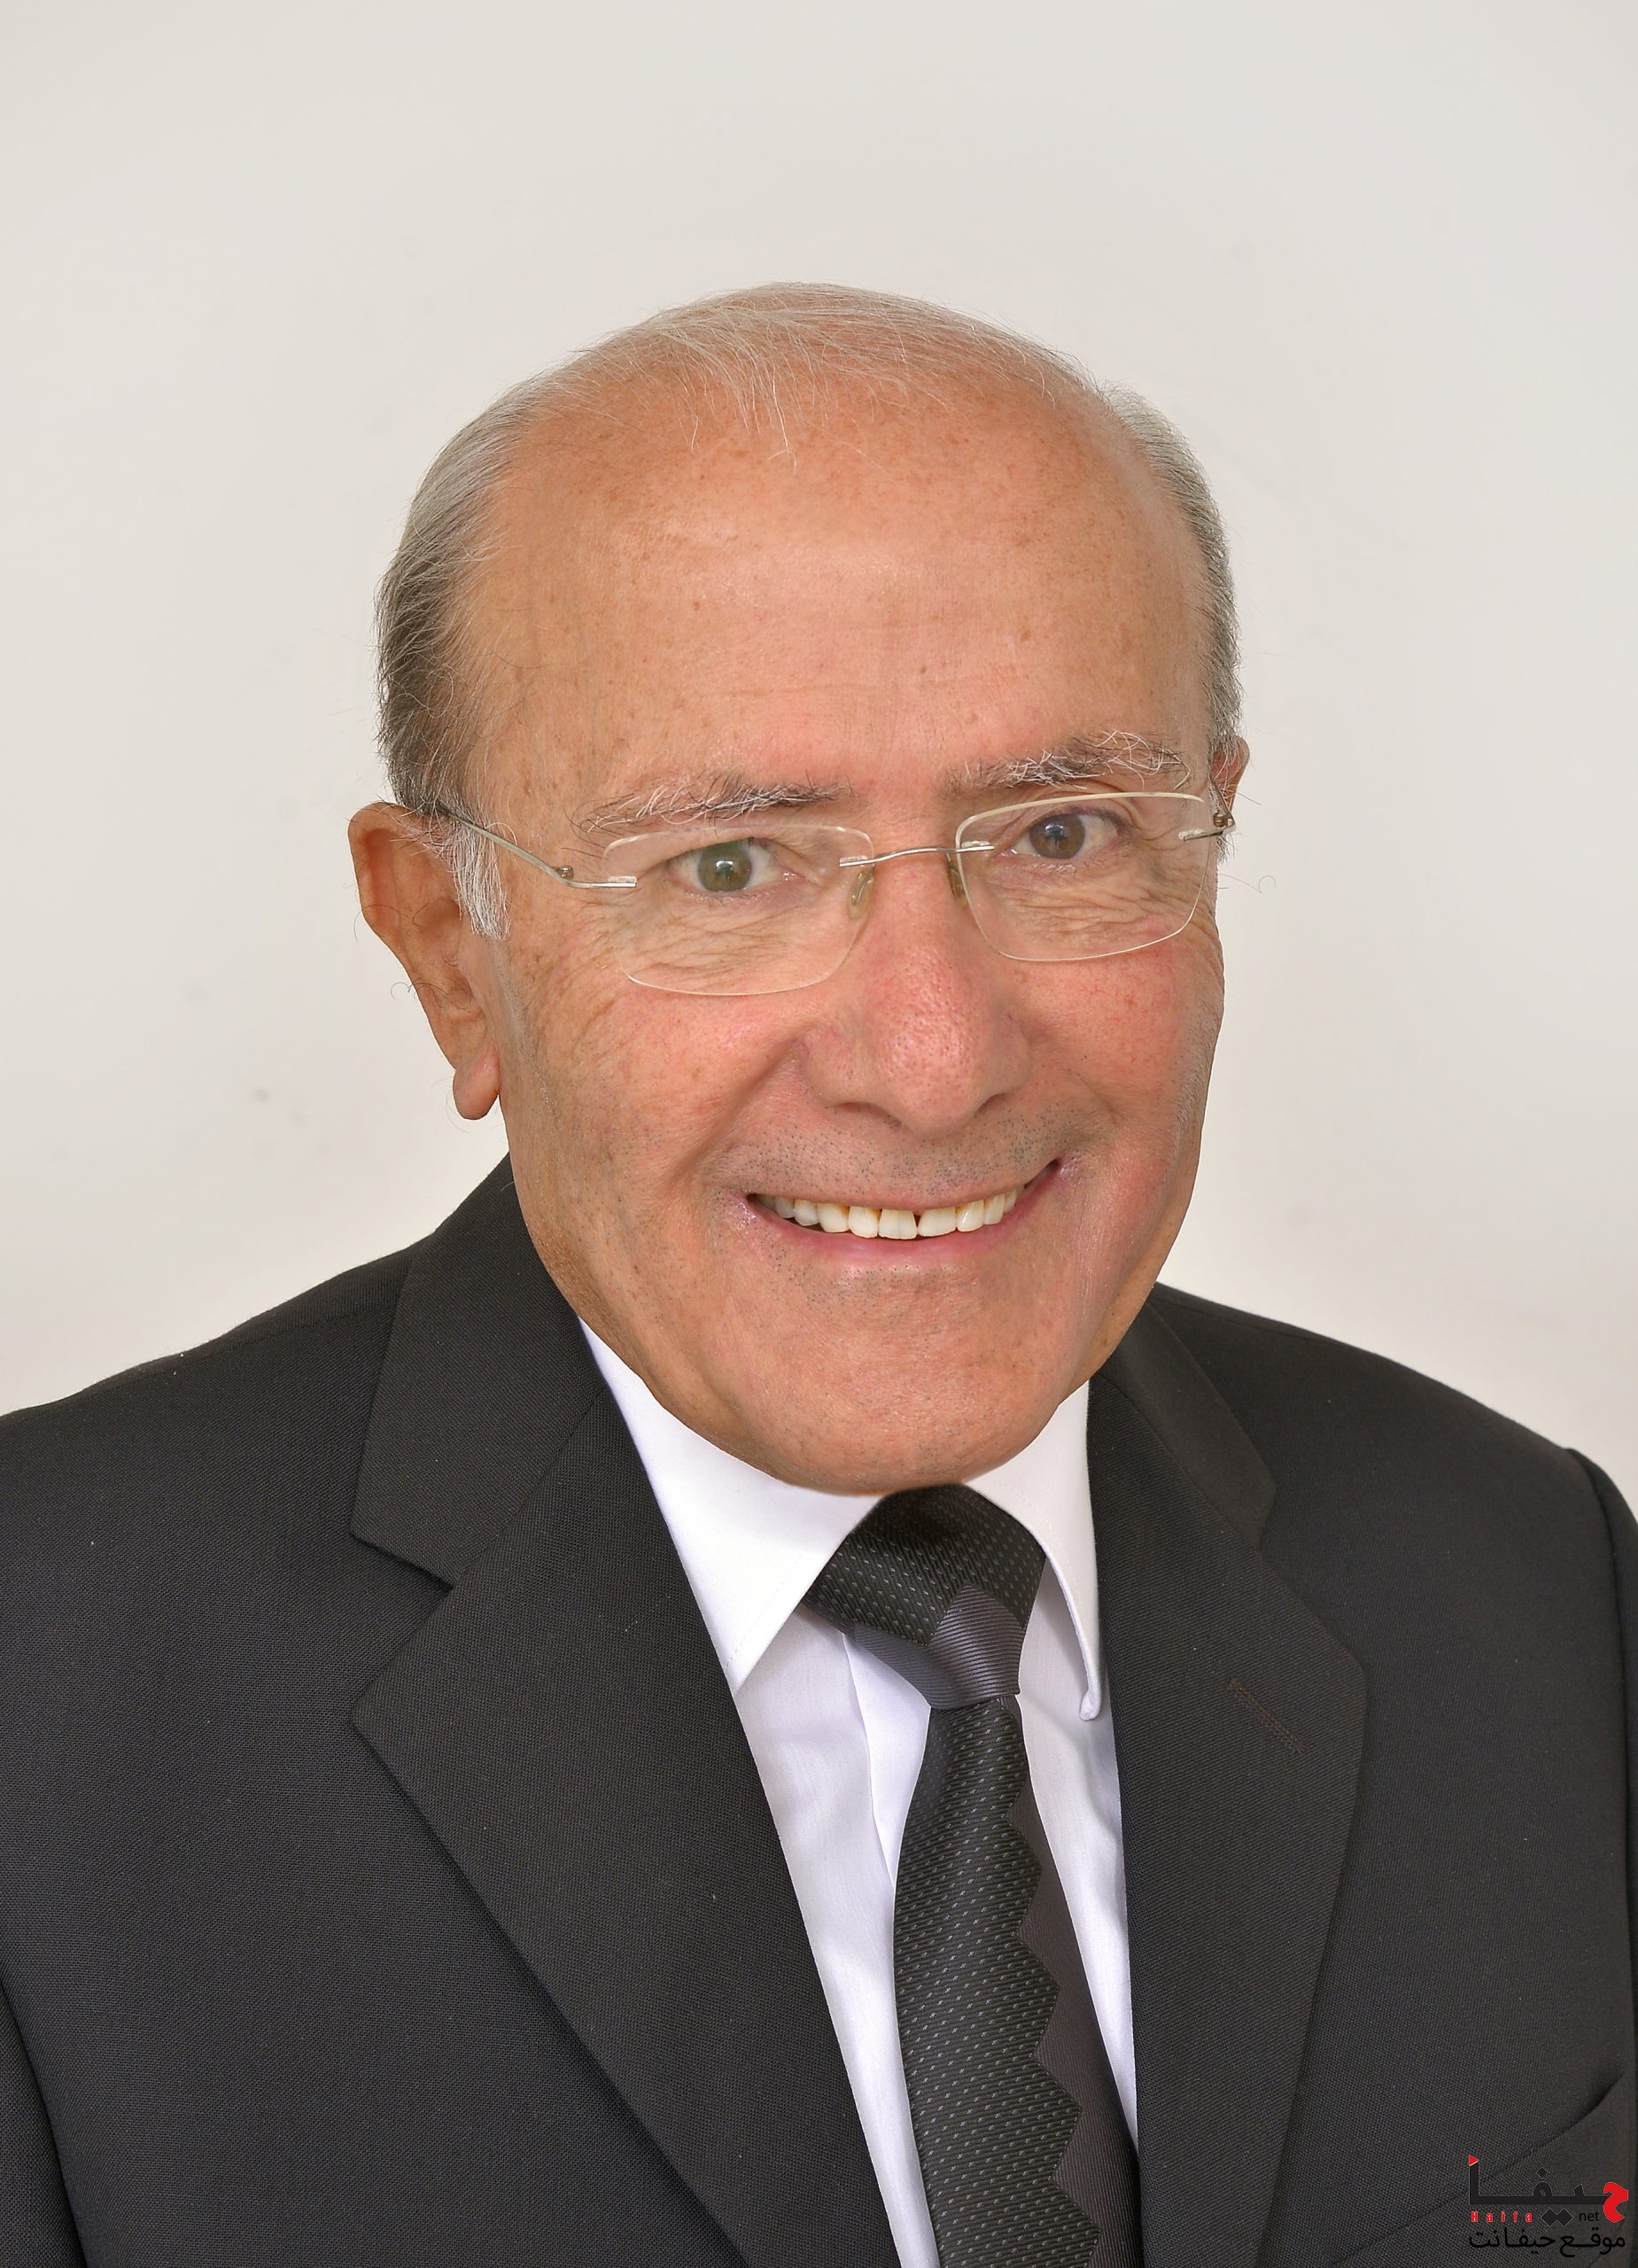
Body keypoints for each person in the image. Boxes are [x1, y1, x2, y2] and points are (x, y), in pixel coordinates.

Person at [1, 284, 1632, 2268]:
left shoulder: (1528, 1574)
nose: (931, 1058)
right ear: (448, 948)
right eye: (730, 865)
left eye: (1060, 832)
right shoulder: (42, 1687)